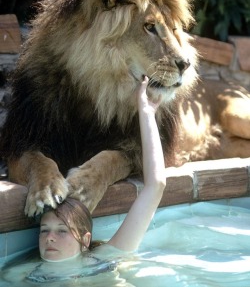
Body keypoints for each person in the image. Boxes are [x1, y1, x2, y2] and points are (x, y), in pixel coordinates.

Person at [2, 76, 166, 283]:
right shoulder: (20, 274)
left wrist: (146, 112)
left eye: (62, 231)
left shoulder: (104, 260)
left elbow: (156, 185)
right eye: (44, 230)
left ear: (85, 240)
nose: (49, 238)